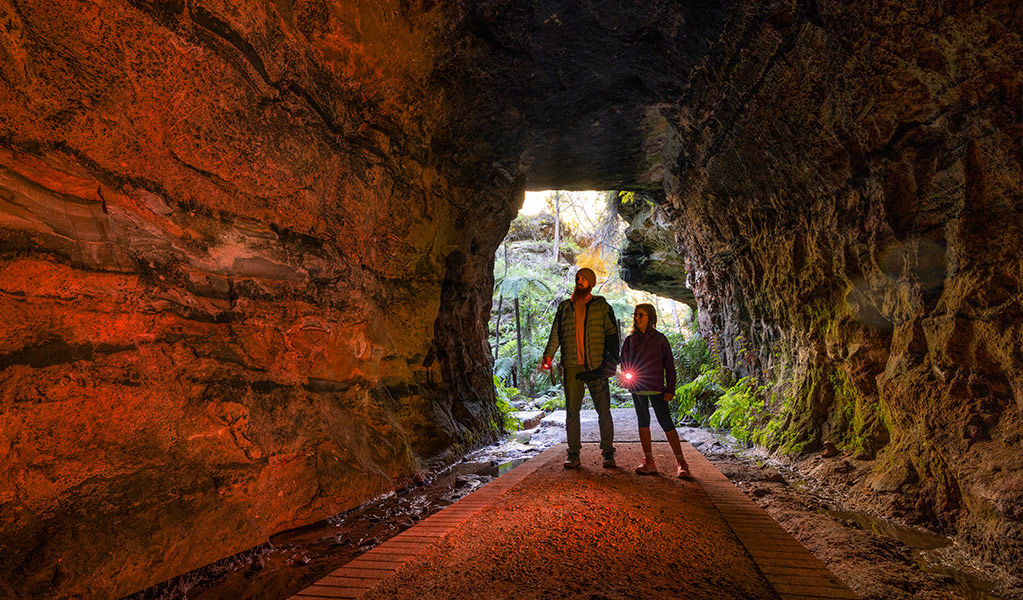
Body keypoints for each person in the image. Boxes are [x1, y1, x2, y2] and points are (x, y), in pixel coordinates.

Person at [539, 268, 620, 469]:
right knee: (572, 412)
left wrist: (612, 362)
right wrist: (548, 355)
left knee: (603, 410)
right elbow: (555, 334)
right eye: (578, 278)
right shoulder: (564, 307)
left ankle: (608, 452)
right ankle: (573, 454)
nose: (579, 279)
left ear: (591, 283)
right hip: (572, 365)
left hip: (596, 365)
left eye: (584, 278)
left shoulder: (601, 305)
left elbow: (612, 334)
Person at [619, 303, 692, 479]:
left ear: (650, 317)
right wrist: (628, 379)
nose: (637, 318)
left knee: (666, 423)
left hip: (657, 388)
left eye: (641, 315)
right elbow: (624, 362)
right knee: (643, 422)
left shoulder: (660, 339)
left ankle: (682, 463)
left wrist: (670, 388)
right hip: (638, 389)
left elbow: (670, 367)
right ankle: (649, 461)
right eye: (635, 315)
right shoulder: (631, 340)